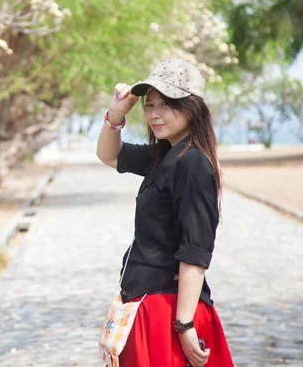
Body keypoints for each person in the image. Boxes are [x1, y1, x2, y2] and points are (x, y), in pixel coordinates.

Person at [96, 59, 234, 367]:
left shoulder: (193, 164)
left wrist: (184, 325)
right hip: (147, 303)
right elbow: (110, 154)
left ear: (192, 107)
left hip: (168, 310)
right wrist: (115, 116)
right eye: (149, 105)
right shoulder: (165, 155)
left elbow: (195, 251)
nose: (154, 114)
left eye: (167, 104)